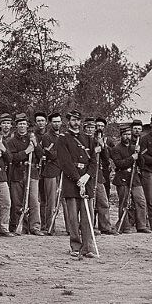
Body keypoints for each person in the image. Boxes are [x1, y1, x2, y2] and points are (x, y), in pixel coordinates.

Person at [55, 110, 99, 258]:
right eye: (73, 120)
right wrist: (77, 179)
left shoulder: (88, 139)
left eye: (78, 120)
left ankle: (87, 247)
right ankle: (75, 246)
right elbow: (65, 162)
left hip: (86, 181)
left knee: (87, 216)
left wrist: (86, 176)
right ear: (68, 121)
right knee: (73, 218)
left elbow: (94, 161)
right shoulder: (63, 139)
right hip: (71, 181)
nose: (76, 123)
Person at [109, 120, 150, 233]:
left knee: (141, 200)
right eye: (125, 134)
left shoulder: (134, 147)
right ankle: (125, 226)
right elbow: (120, 164)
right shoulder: (116, 149)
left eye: (129, 134)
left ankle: (141, 225)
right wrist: (132, 157)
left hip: (134, 177)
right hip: (122, 178)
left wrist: (139, 153)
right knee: (124, 202)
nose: (127, 136)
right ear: (121, 135)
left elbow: (141, 164)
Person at [7, 113, 43, 235]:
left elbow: (40, 156)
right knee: (17, 202)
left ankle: (35, 227)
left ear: (27, 125)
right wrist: (26, 151)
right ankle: (18, 225)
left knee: (33, 201)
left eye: (24, 124)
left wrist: (36, 145)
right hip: (17, 173)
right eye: (19, 124)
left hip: (31, 173)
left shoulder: (32, 139)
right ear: (16, 126)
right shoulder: (11, 141)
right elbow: (11, 158)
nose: (22, 126)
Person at [83, 117, 114, 234]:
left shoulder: (98, 140)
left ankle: (105, 227)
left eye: (92, 127)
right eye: (88, 127)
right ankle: (88, 227)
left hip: (98, 174)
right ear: (84, 128)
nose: (91, 130)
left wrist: (103, 146)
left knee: (103, 201)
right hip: (86, 174)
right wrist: (92, 152)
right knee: (89, 202)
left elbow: (106, 159)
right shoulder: (81, 140)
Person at [39, 111, 63, 233]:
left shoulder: (64, 136)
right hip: (51, 170)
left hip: (63, 170)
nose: (57, 124)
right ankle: (49, 226)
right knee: (51, 201)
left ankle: (69, 229)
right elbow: (50, 155)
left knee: (64, 200)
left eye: (58, 121)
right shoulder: (46, 137)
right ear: (50, 123)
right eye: (54, 122)